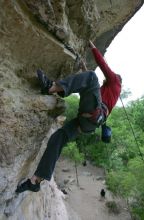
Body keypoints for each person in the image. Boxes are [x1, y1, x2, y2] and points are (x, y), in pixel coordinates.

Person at [15, 40, 122, 193]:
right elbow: (91, 90)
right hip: (88, 122)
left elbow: (103, 68)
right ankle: (35, 181)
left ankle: (50, 87)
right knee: (57, 138)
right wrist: (84, 67)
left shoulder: (116, 82)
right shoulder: (106, 92)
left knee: (92, 76)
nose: (108, 78)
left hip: (92, 116)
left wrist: (93, 48)